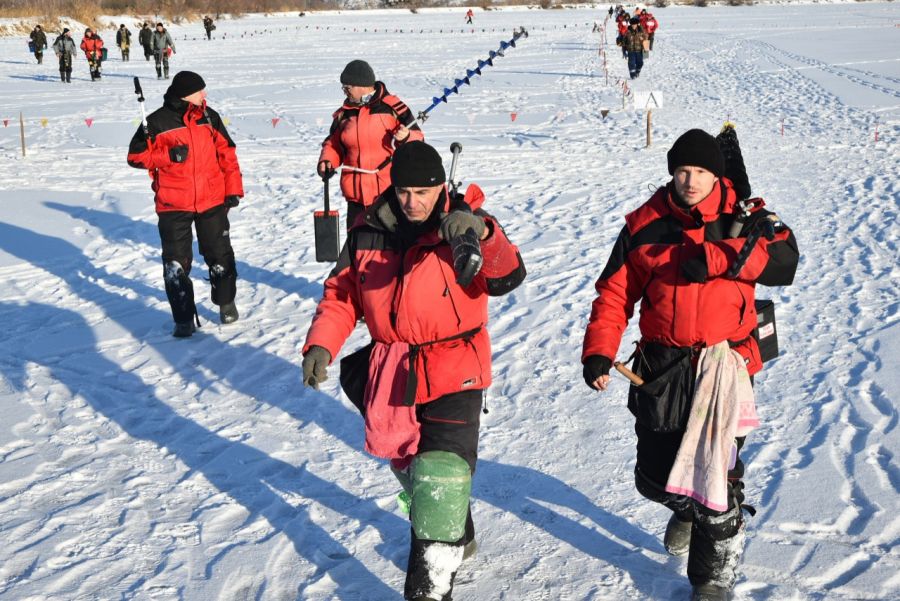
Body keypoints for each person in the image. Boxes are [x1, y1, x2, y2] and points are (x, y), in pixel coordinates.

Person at [301, 140, 526, 601]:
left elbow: (508, 276)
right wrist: (321, 344)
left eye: (424, 192)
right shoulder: (366, 230)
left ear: (442, 187)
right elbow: (343, 295)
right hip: (392, 369)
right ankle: (456, 531)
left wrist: (484, 234)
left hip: (455, 366)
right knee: (412, 470)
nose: (413, 201)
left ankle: (428, 590)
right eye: (404, 191)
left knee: (440, 473)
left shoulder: (461, 228)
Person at [581, 127, 798, 601]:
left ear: (716, 175)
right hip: (662, 365)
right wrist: (598, 348)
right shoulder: (644, 224)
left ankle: (712, 578)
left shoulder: (745, 215)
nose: (690, 180)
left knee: (718, 474)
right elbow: (615, 294)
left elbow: (785, 261)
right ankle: (684, 504)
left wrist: (720, 258)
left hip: (726, 363)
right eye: (682, 170)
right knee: (654, 478)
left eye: (700, 171)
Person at [126, 71, 244, 338]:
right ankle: (183, 318)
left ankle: (226, 302)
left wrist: (232, 189)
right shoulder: (156, 121)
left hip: (212, 199)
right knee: (176, 264)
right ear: (186, 94)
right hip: (173, 203)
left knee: (220, 254)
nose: (204, 95)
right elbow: (135, 156)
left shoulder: (209, 117)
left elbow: (227, 153)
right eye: (200, 91)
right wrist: (167, 155)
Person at [317, 59, 424, 229]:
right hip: (356, 199)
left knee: (389, 250)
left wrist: (406, 137)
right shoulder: (344, 114)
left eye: (347, 87)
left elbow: (418, 140)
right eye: (343, 87)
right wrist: (327, 160)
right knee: (358, 249)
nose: (345, 92)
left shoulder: (392, 107)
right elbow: (333, 144)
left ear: (362, 85)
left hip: (387, 196)